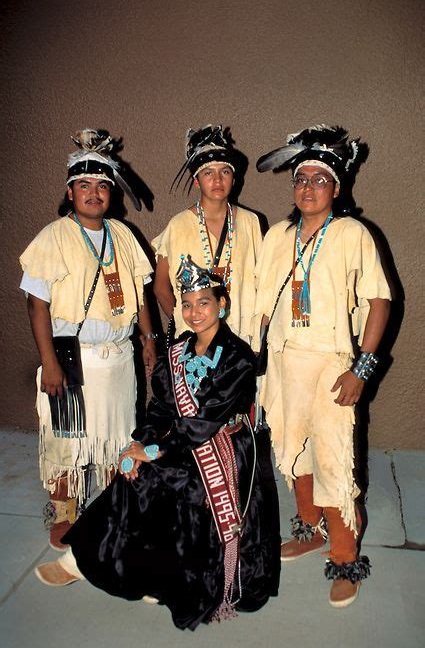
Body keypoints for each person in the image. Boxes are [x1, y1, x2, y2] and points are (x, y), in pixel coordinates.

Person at [33, 256, 280, 631]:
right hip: (183, 441)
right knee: (131, 471)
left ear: (222, 304)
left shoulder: (238, 358)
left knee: (155, 475)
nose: (194, 312)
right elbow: (162, 407)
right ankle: (90, 561)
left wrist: (151, 452)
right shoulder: (179, 350)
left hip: (223, 448)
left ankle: (127, 569)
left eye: (204, 302)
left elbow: (202, 424)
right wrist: (142, 442)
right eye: (187, 304)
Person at [254, 125, 391, 607]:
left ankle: (346, 555)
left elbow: (379, 301)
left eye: (319, 178)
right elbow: (261, 303)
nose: (308, 187)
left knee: (333, 461)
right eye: (300, 178)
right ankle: (309, 529)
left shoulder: (353, 233)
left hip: (333, 363)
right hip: (284, 362)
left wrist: (362, 370)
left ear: (337, 187)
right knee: (294, 454)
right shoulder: (278, 235)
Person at [19, 129, 157, 550]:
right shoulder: (53, 236)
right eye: (84, 185)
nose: (93, 193)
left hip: (118, 356)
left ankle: (113, 504)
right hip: (71, 354)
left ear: (111, 193)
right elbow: (36, 305)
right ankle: (64, 508)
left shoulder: (123, 235)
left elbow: (140, 292)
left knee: (118, 433)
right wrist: (50, 362)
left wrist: (149, 338)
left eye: (101, 185)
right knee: (68, 434)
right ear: (70, 190)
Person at [153, 124, 262, 344]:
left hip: (239, 338)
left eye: (225, 172)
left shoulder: (250, 222)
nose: (218, 180)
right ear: (196, 180)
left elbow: (262, 281)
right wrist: (186, 320)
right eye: (208, 173)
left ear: (234, 178)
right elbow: (161, 286)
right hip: (195, 340)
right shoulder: (179, 224)